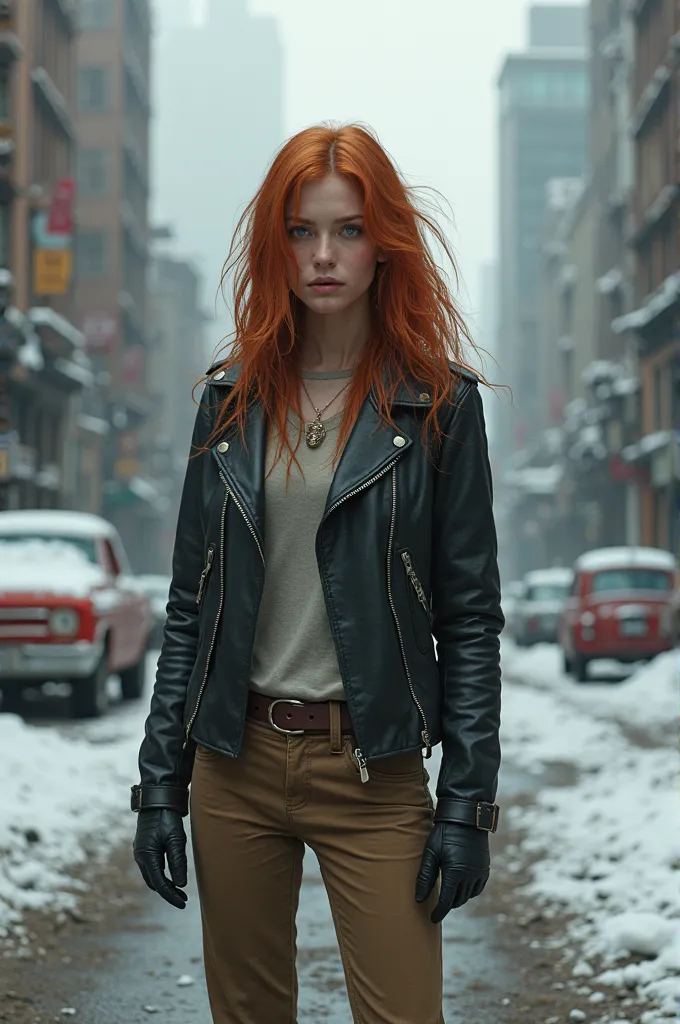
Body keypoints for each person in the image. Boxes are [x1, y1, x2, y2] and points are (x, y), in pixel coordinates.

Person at [131, 123, 503, 1024]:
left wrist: (467, 804)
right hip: (236, 766)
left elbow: (471, 619)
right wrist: (159, 786)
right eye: (301, 231)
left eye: (348, 229)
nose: (324, 254)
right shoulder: (230, 401)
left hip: (373, 774)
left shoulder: (439, 406)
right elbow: (191, 607)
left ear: (386, 244)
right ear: (276, 245)